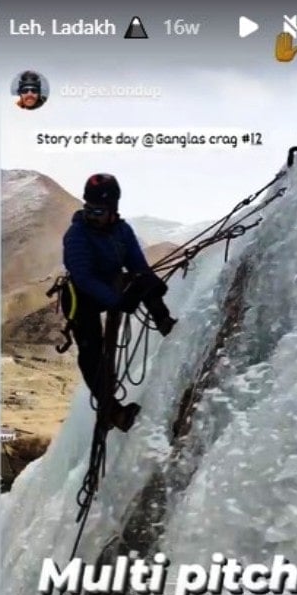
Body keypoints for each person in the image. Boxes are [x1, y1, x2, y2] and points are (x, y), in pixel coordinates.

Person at [62, 173, 177, 432]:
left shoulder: (122, 231)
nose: (92, 215)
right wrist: (117, 301)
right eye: (88, 209)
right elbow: (83, 278)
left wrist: (151, 285)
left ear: (113, 209)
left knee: (144, 280)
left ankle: (166, 323)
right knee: (91, 354)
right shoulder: (76, 235)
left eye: (99, 210)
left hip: (111, 283)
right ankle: (113, 411)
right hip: (82, 297)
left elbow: (138, 265)